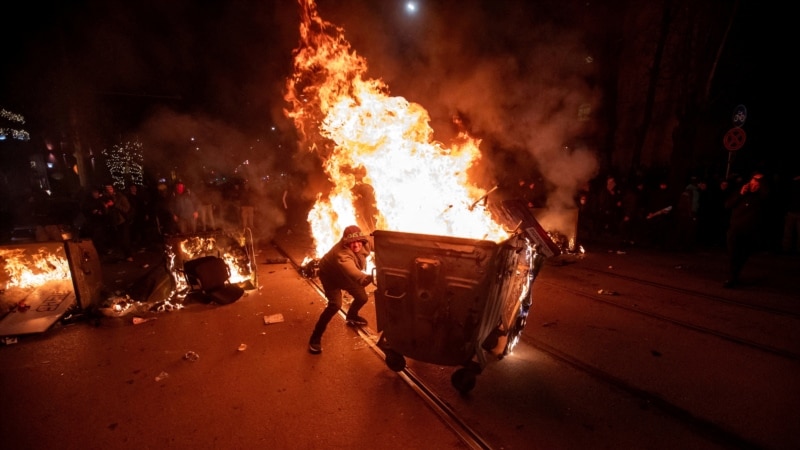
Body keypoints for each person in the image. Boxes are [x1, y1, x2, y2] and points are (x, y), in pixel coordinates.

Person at [308, 225, 374, 354]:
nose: (356, 245)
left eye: (358, 241)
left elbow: (380, 243)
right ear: (346, 243)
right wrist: (364, 278)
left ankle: (352, 316)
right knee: (335, 305)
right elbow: (351, 269)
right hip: (330, 277)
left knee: (362, 298)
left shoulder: (366, 242)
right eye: (352, 242)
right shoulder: (341, 254)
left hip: (346, 276)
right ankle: (315, 337)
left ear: (362, 240)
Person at [723, 171, 769, 288]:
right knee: (733, 254)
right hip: (735, 229)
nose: (754, 184)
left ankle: (735, 276)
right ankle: (732, 278)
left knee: (743, 255)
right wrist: (740, 194)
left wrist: (762, 182)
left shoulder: (761, 197)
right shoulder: (741, 192)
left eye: (758, 182)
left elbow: (766, 196)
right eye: (753, 180)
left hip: (750, 231)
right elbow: (728, 205)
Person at [103, 183, 134, 262]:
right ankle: (123, 254)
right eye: (107, 189)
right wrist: (105, 207)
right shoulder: (106, 199)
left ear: (113, 189)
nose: (109, 191)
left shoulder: (121, 197)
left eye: (110, 189)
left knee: (125, 239)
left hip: (122, 220)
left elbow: (126, 209)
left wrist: (115, 204)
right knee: (118, 239)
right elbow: (106, 212)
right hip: (114, 222)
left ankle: (129, 255)